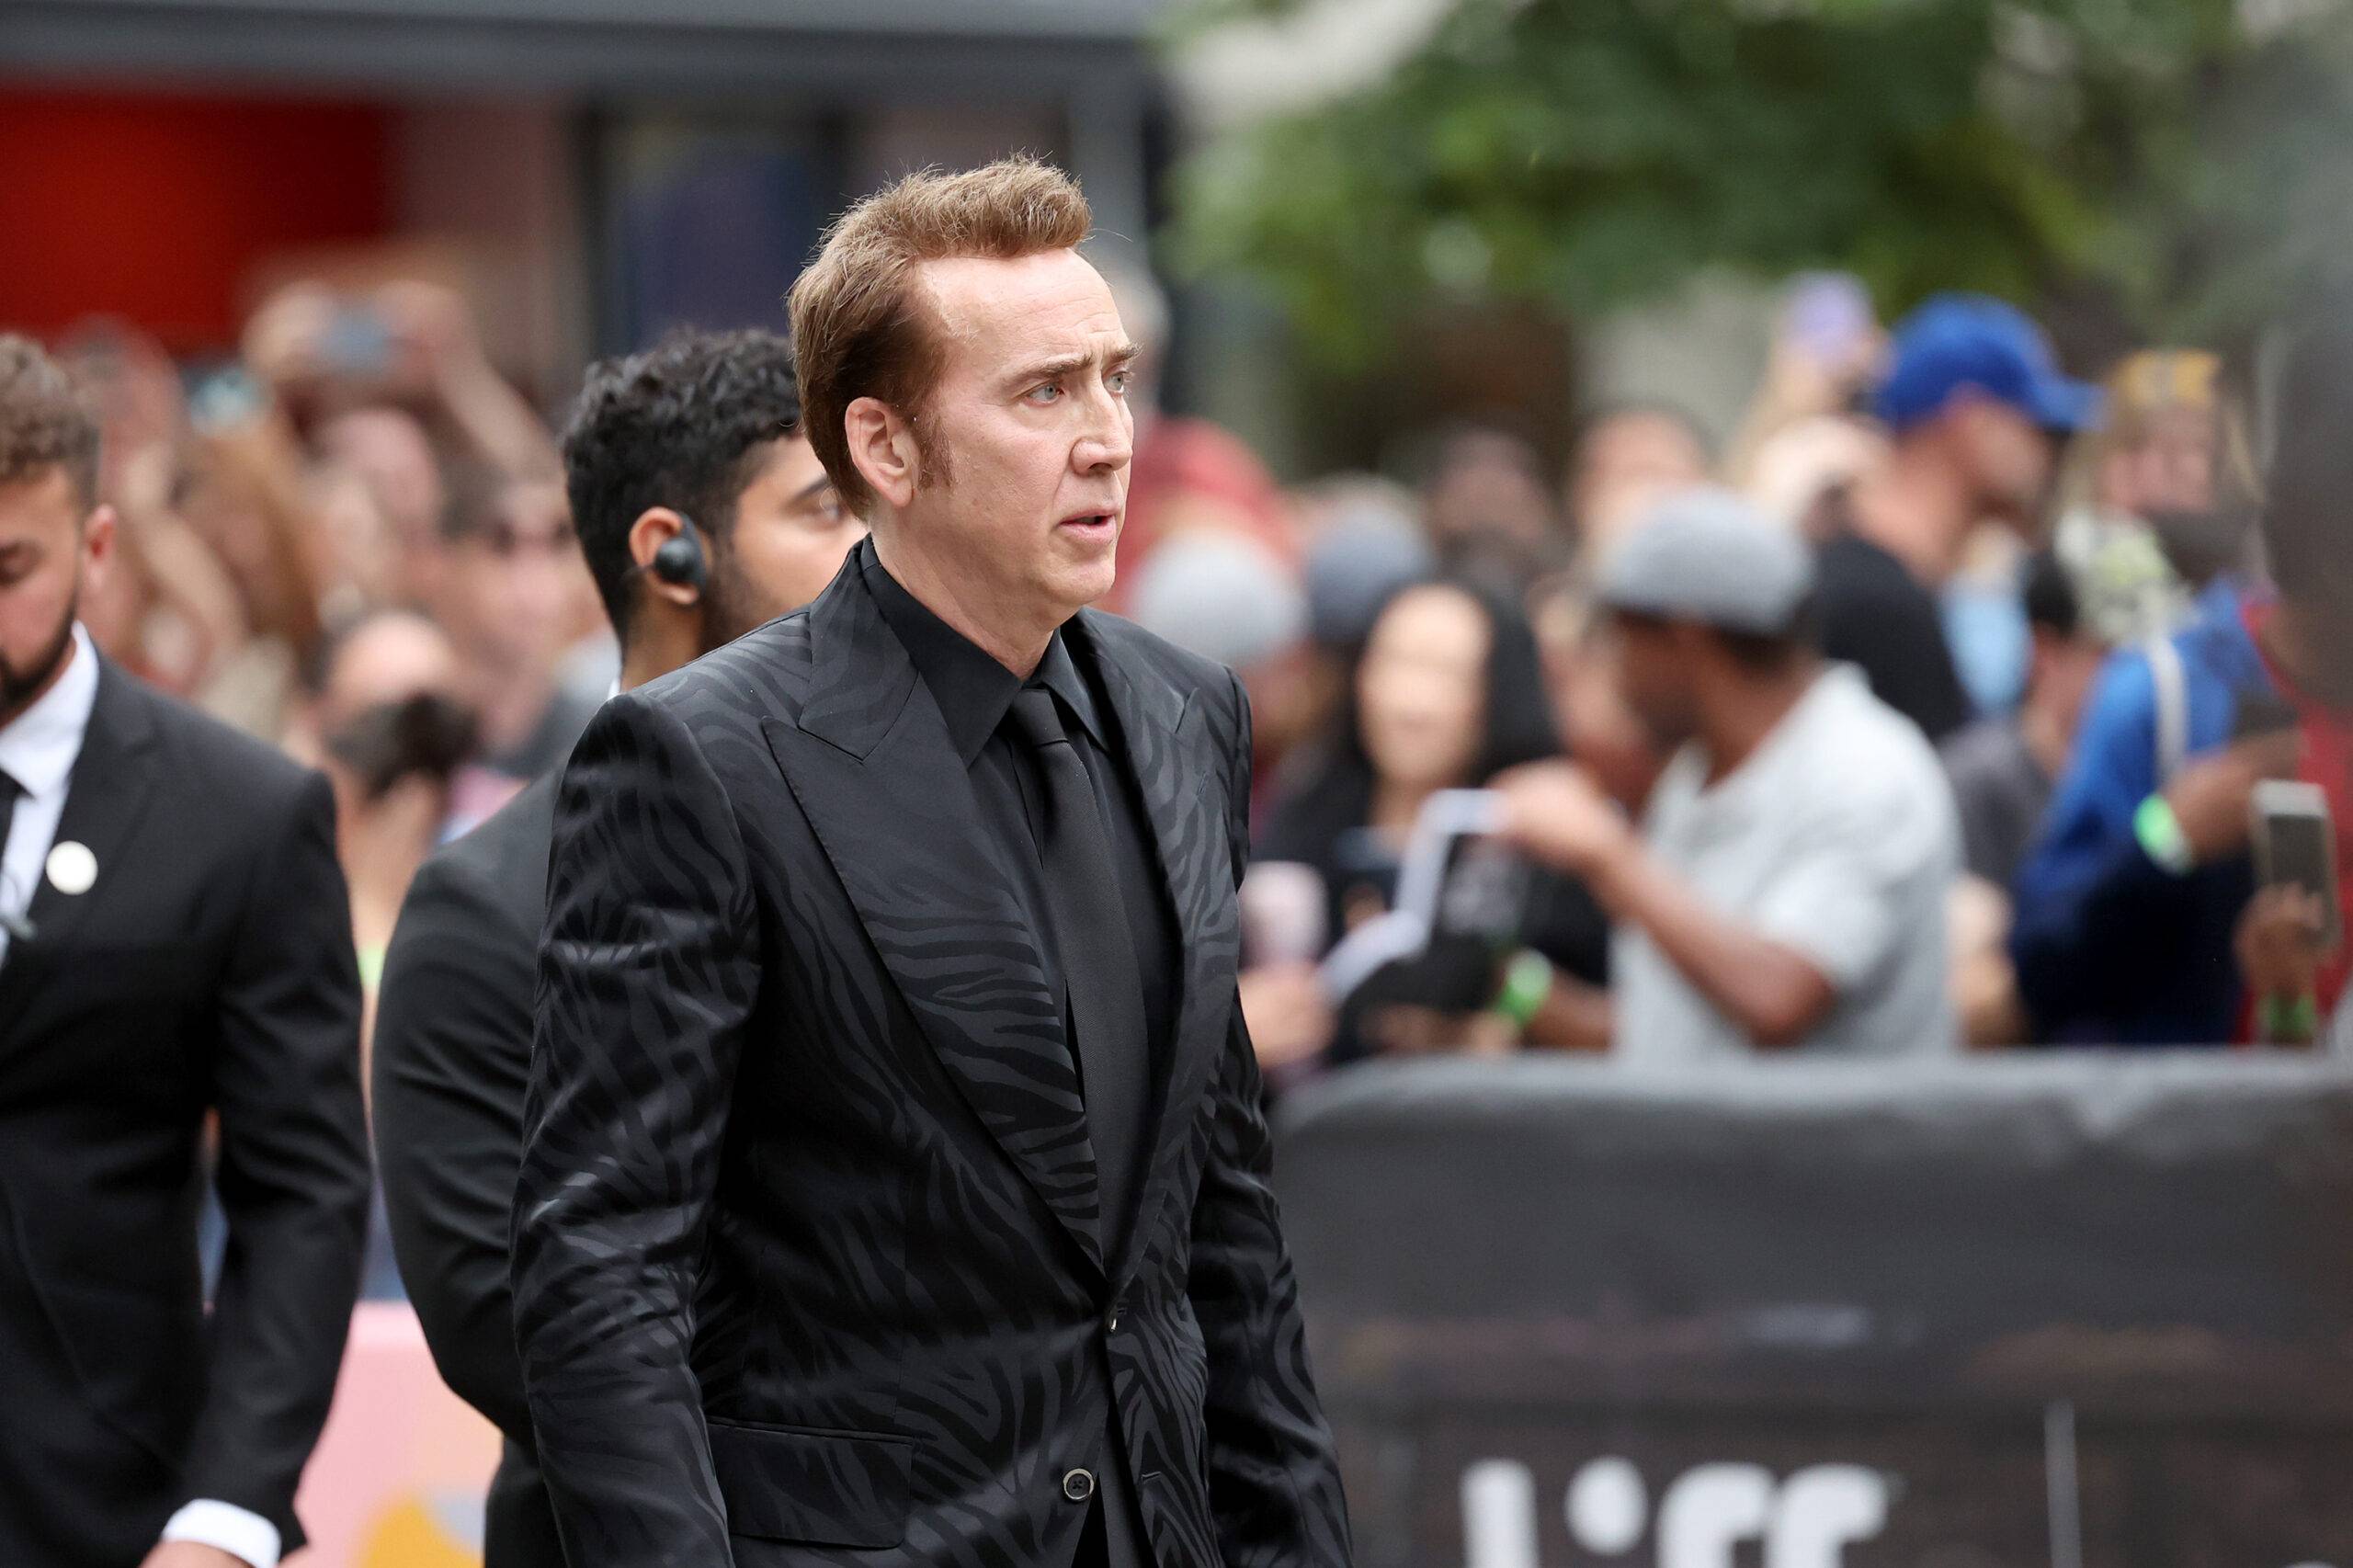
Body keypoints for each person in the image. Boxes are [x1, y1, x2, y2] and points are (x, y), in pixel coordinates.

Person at [510, 161, 1350, 1568]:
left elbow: (1223, 1229)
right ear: (885, 451)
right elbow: (604, 1263)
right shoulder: (699, 757)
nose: (1106, 440)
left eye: (1115, 381)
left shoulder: (1184, 710)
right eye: (1041, 394)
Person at [370, 327, 858, 1568]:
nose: (876, 552)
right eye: (824, 510)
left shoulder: (942, 836)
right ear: (670, 552)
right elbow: (520, 1330)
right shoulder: (488, 905)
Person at [0, 335, 369, 1567]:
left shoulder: (243, 812)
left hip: (112, 1506)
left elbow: (303, 1193)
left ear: (97, 549)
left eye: (9, 567)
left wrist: (225, 1516)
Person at [1498, 488, 1962, 1061]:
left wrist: (1606, 854)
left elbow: (1776, 999)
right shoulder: (1695, 772)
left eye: (1621, 637)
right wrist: (1508, 988)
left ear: (1685, 638)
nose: (1614, 669)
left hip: (1831, 1152)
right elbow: (1671, 1033)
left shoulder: (1866, 769)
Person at [2017, 314, 2353, 1046]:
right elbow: (2041, 974)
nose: (2179, 474)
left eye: (2197, 452)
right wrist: (2165, 840)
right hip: (2201, 1146)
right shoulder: (2168, 694)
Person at [1257, 575, 1608, 1059]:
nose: (1411, 701)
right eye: (1395, 661)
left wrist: (1509, 1002)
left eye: (1446, 671)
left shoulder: (1539, 833)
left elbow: (1618, 1016)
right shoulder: (1310, 807)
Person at [1815, 294, 2100, 742]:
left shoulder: (1888, 585)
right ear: (1973, 421)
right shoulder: (1879, 607)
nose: (2046, 455)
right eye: (2033, 428)